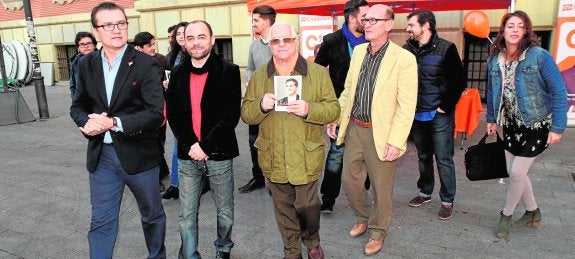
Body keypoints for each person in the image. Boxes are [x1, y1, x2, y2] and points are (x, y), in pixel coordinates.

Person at [69, 2, 166, 258]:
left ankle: (157, 255)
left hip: (140, 156)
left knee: (152, 217)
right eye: (108, 25)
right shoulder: (85, 64)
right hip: (102, 158)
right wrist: (86, 123)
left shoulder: (146, 64)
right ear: (96, 30)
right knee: (101, 222)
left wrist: (113, 122)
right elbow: (78, 104)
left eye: (121, 23)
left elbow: (155, 113)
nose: (116, 29)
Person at [241, 22, 339, 259]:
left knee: (308, 206)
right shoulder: (260, 76)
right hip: (274, 155)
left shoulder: (315, 73)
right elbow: (246, 114)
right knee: (283, 209)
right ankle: (292, 251)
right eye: (276, 41)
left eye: (287, 39)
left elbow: (333, 109)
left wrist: (309, 109)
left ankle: (312, 239)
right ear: (270, 45)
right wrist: (261, 106)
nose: (282, 44)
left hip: (305, 154)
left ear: (296, 41)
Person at [328, 4, 417, 256]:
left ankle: (378, 231)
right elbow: (348, 90)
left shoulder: (404, 59)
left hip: (383, 132)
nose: (367, 24)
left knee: (381, 186)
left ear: (389, 24)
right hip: (355, 127)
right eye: (365, 19)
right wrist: (336, 116)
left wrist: (396, 140)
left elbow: (406, 106)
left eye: (373, 20)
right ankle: (362, 217)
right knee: (350, 179)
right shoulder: (358, 52)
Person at [486, 11, 567, 240]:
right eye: (510, 25)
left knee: (517, 172)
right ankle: (533, 212)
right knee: (517, 173)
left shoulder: (539, 56)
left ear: (526, 31)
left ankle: (506, 215)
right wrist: (492, 119)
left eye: (520, 26)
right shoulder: (495, 58)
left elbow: (559, 91)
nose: (514, 30)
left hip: (537, 124)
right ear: (503, 30)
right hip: (510, 124)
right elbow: (492, 90)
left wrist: (558, 127)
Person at [165, 20, 241, 259]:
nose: (196, 42)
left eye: (201, 37)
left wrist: (205, 146)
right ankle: (188, 254)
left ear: (212, 39)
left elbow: (231, 114)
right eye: (190, 38)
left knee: (225, 212)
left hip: (219, 153)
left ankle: (223, 249)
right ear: (184, 42)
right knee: (186, 215)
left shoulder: (229, 69)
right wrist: (190, 146)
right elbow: (174, 114)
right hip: (188, 155)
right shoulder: (177, 72)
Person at [403, 10, 466, 220]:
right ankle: (425, 192)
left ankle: (447, 200)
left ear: (426, 25)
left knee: (444, 159)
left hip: (439, 114)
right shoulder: (406, 49)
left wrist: (444, 107)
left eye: (411, 24)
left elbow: (459, 81)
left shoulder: (446, 48)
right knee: (422, 157)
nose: (407, 28)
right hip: (416, 113)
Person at [314, 0, 369, 213]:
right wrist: (328, 103)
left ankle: (363, 193)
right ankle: (328, 198)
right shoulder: (332, 41)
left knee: (365, 154)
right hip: (339, 108)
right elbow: (318, 73)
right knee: (337, 154)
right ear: (352, 17)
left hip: (366, 110)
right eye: (365, 16)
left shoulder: (372, 40)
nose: (369, 21)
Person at [238, 5, 277, 194]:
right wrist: (249, 81)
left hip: (276, 101)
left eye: (256, 20)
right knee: (253, 140)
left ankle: (274, 179)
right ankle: (258, 177)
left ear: (267, 21)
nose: (253, 23)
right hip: (256, 102)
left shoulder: (280, 42)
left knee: (274, 140)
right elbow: (250, 68)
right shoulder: (254, 45)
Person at [133, 31, 171, 190]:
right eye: (149, 45)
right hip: (141, 111)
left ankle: (162, 170)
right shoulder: (131, 63)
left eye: (154, 44)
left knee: (158, 142)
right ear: (139, 48)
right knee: (148, 143)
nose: (153, 48)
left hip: (159, 109)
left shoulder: (160, 60)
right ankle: (156, 178)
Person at [162, 21, 190, 200]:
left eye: (183, 33)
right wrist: (166, 85)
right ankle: (175, 184)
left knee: (188, 144)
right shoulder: (172, 56)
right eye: (177, 34)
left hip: (191, 105)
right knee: (178, 144)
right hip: (176, 106)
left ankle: (181, 183)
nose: (180, 36)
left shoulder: (194, 54)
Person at [69, 31, 96, 100]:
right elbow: (73, 84)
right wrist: (75, 98)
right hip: (81, 101)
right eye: (82, 44)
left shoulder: (104, 59)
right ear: (78, 48)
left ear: (94, 45)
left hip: (100, 104)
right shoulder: (75, 62)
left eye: (89, 43)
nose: (86, 46)